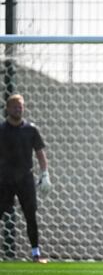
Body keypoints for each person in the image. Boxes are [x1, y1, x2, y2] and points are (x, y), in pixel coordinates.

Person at [0, 94, 51, 263]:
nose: (18, 109)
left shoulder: (31, 129)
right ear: (7, 109)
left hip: (25, 179)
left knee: (31, 216)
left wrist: (45, 175)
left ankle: (36, 254)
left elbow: (40, 153)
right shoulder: (1, 130)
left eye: (21, 106)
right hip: (4, 180)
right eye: (15, 106)